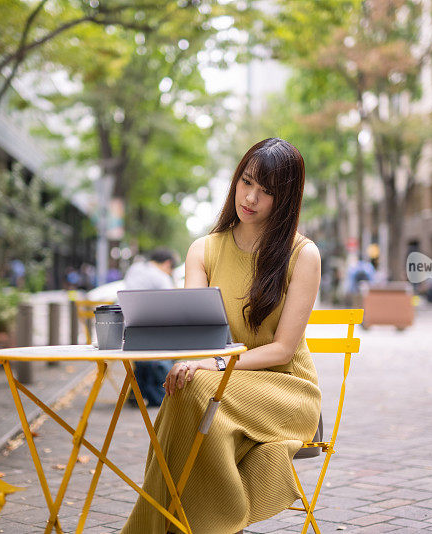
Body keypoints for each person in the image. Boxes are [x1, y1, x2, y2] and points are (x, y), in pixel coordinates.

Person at [121, 138, 321, 534]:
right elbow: (195, 334)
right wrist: (195, 362)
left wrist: (210, 364)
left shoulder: (302, 254)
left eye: (267, 192)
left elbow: (282, 349)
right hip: (221, 385)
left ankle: (154, 527)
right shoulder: (204, 249)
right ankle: (195, 526)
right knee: (188, 389)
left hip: (286, 391)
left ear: (285, 200)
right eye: (246, 182)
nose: (250, 197)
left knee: (195, 389)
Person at [122, 248, 178, 407]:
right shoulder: (161, 277)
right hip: (147, 332)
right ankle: (158, 392)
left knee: (146, 356)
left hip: (126, 330)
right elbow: (171, 305)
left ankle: (138, 389)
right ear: (167, 264)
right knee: (175, 343)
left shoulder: (135, 268)